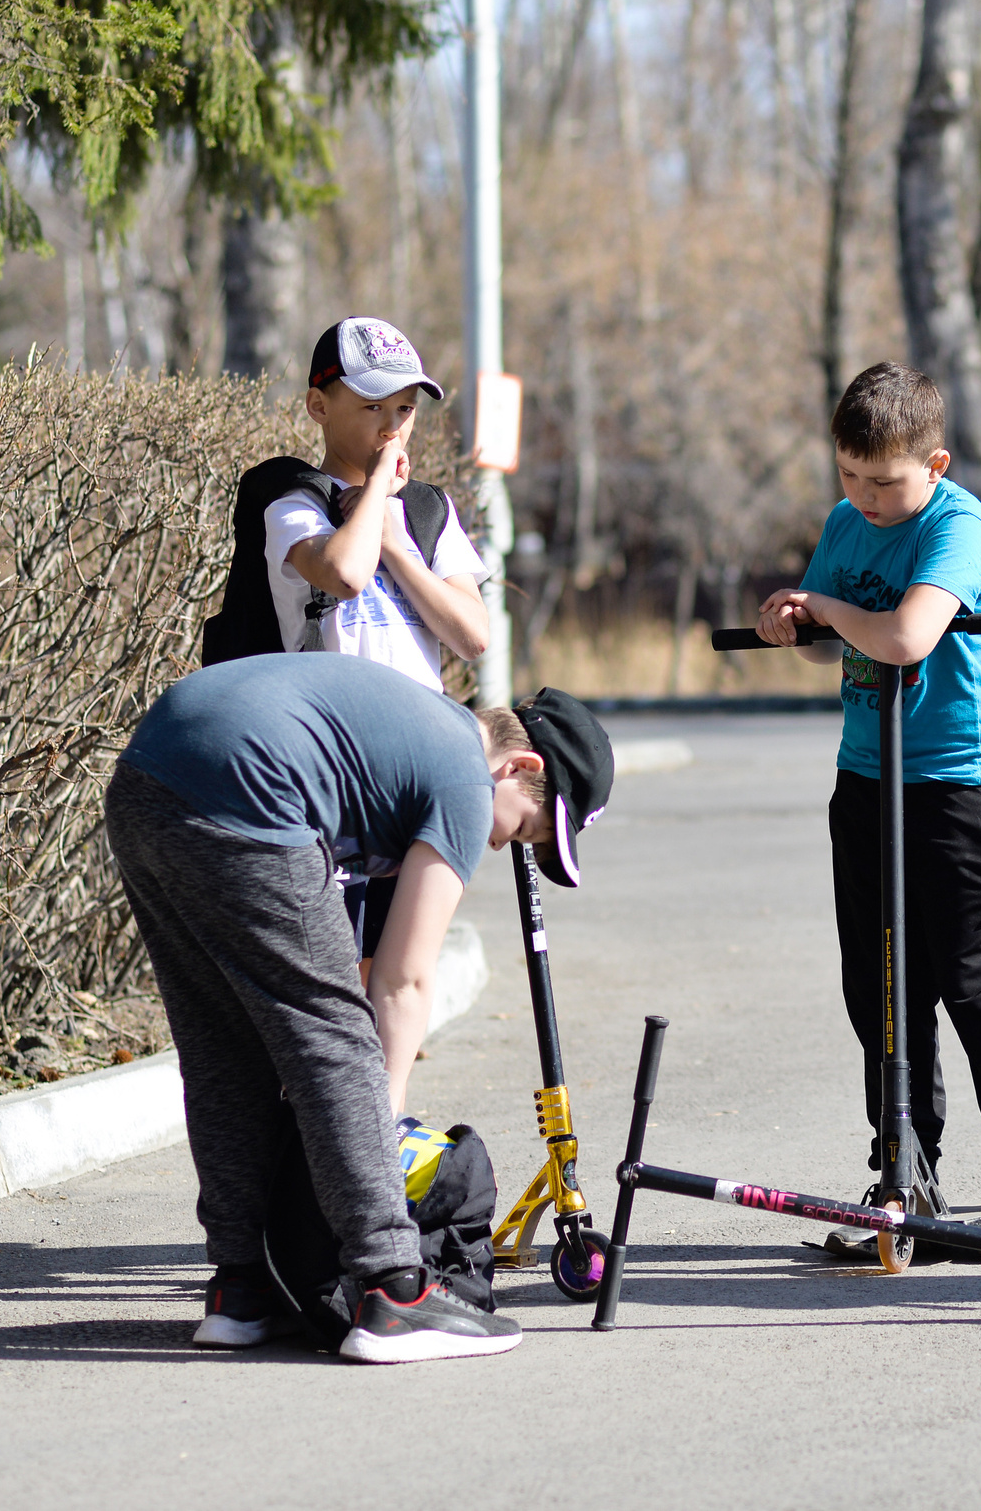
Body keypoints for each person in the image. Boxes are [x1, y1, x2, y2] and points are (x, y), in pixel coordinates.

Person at [104, 654, 614, 1360]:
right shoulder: (465, 779)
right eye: (524, 829)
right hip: (249, 784)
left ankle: (242, 1288)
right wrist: (384, 1126)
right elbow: (403, 982)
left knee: (224, 1043)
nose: (500, 843)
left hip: (144, 781)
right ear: (517, 767)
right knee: (338, 1036)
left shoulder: (412, 739)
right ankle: (393, 1288)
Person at [753, 362, 981, 1244]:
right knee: (880, 986)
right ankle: (905, 1173)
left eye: (885, 480)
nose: (865, 498)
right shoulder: (845, 523)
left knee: (970, 980)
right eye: (849, 474)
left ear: (935, 463)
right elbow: (830, 643)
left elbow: (906, 635)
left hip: (958, 782)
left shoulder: (960, 525)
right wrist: (794, 622)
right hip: (867, 776)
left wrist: (826, 605)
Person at [266, 317, 491, 966]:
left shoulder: (425, 511)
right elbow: (343, 572)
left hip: (412, 771)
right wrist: (371, 499)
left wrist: (396, 539)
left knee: (393, 965)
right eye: (371, 407)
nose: (392, 427)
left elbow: (472, 634)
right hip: (329, 768)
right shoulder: (294, 501)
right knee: (331, 963)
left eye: (405, 409)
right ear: (319, 406)